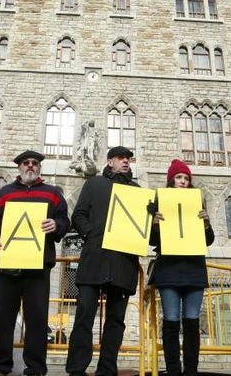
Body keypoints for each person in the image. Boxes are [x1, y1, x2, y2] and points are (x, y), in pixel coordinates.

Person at [0, 150, 70, 376]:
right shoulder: (5, 192)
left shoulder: (52, 194)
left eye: (34, 163)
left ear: (39, 167)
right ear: (19, 167)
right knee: (3, 318)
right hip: (7, 266)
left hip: (38, 267)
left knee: (37, 319)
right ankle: (0, 367)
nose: (30, 166)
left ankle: (36, 368)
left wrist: (57, 225)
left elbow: (64, 220)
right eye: (26, 163)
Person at [66, 146, 145, 376]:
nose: (126, 161)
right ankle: (76, 369)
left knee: (115, 321)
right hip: (94, 260)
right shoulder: (94, 184)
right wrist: (91, 233)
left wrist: (149, 216)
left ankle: (107, 369)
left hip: (123, 264)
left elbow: (144, 231)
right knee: (84, 316)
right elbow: (78, 215)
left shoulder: (137, 191)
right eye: (121, 158)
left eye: (129, 158)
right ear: (110, 161)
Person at [147, 159, 214, 376]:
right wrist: (154, 224)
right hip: (169, 269)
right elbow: (150, 240)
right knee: (171, 320)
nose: (183, 181)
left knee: (192, 321)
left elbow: (208, 240)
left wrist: (206, 223)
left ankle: (191, 370)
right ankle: (174, 370)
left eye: (186, 178)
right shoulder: (160, 205)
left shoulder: (197, 204)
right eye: (179, 177)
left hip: (194, 269)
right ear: (171, 180)